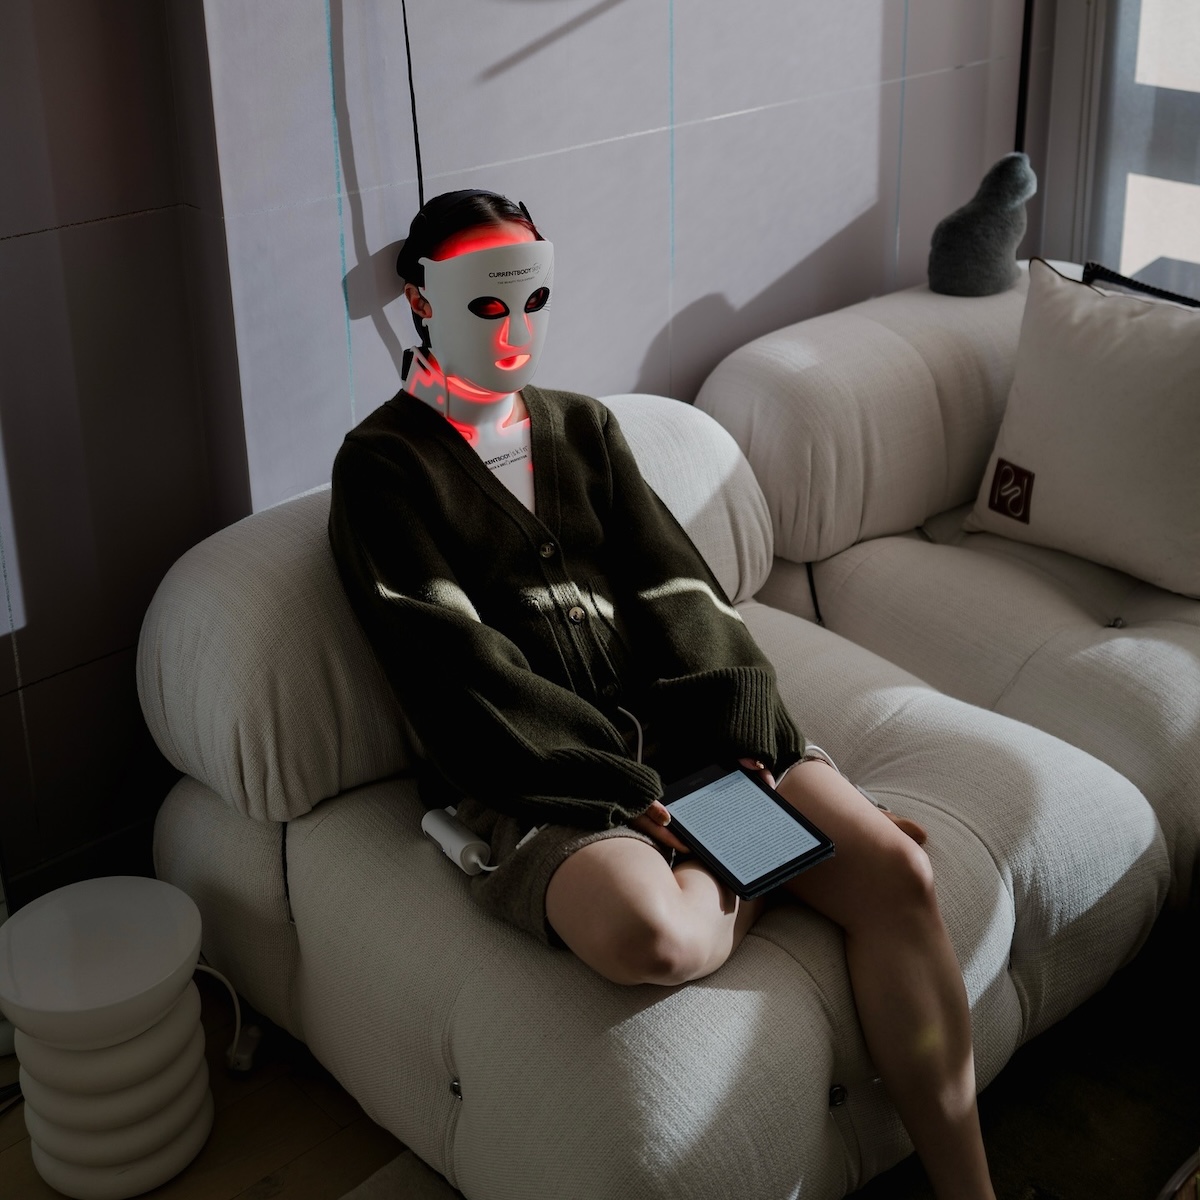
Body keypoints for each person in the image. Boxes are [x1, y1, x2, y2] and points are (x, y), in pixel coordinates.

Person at [328, 189, 996, 1200]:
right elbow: (451, 668)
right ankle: (772, 862)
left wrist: (747, 736)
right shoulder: (381, 468)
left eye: (531, 300)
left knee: (900, 877)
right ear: (421, 303)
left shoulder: (585, 430)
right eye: (484, 307)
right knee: (657, 936)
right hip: (538, 773)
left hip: (695, 736)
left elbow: (679, 588)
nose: (514, 333)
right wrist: (620, 785)